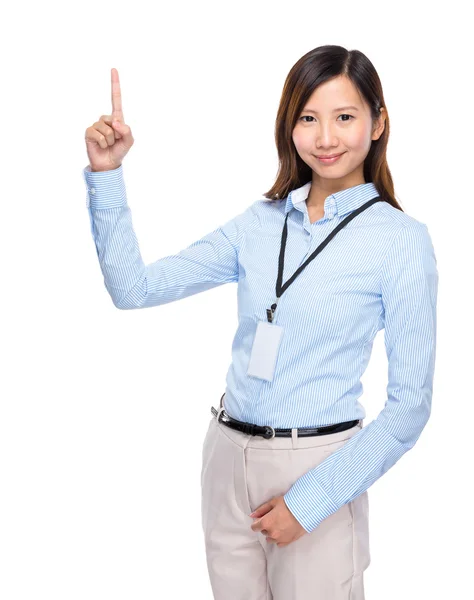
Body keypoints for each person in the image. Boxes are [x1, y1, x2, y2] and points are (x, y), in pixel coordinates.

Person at [82, 45, 438, 600]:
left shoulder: (401, 242)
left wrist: (311, 500)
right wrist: (107, 176)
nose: (325, 138)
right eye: (308, 118)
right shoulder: (259, 223)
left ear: (378, 123)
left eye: (344, 117)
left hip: (319, 467)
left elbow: (409, 408)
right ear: (288, 126)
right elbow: (135, 289)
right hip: (227, 458)